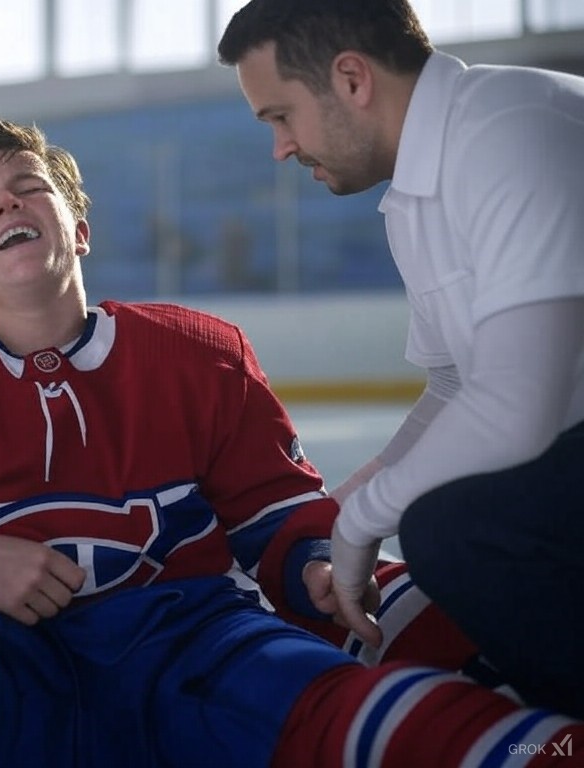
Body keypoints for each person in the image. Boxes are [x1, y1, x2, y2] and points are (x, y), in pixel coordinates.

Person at [0, 117, 581, 768]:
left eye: (28, 189)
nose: (8, 205)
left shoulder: (200, 352)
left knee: (358, 657)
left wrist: (317, 561)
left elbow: (276, 511)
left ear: (80, 229)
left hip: (190, 641)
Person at [216, 0, 584, 720]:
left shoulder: (509, 128)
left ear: (352, 78)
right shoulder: (415, 197)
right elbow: (454, 383)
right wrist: (347, 505)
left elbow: (514, 409)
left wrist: (363, 526)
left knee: (459, 529)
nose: (280, 149)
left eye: (281, 117)